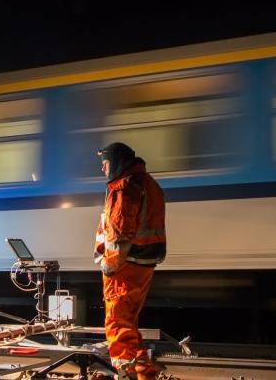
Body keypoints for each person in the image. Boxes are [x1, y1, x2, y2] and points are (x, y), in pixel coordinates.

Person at [94, 142, 166, 380]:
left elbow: (119, 233)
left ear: (116, 162)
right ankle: (144, 371)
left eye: (105, 164)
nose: (103, 170)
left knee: (117, 321)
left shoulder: (124, 187)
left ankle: (125, 373)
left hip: (126, 265)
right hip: (145, 262)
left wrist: (109, 265)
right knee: (129, 320)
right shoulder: (149, 183)